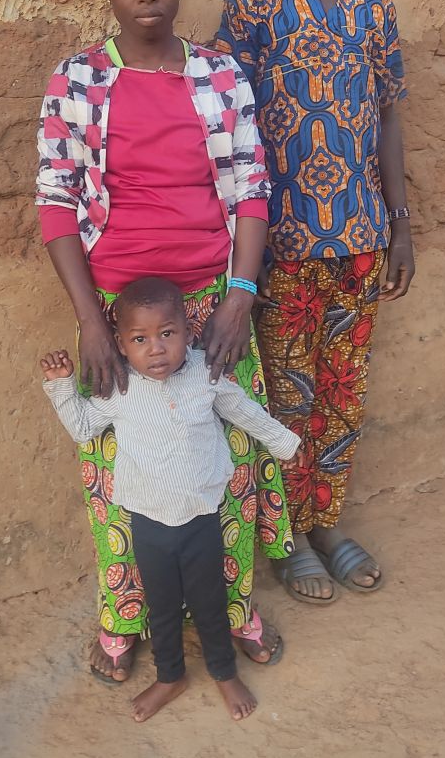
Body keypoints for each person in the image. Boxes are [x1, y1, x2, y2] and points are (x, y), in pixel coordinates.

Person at [34, 0, 294, 683]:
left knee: (231, 467)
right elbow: (56, 204)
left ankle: (233, 605)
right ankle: (124, 617)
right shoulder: (78, 80)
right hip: (121, 320)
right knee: (119, 475)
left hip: (211, 307)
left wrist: (240, 297)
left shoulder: (220, 75)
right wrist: (92, 323)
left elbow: (251, 188)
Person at [215, 0, 416, 605]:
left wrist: (400, 224)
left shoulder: (373, 9)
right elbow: (229, 131)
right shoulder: (253, 10)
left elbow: (388, 117)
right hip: (284, 248)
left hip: (360, 240)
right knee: (285, 397)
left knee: (342, 393)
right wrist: (240, 245)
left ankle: (326, 522)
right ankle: (286, 537)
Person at [40, 277, 301, 721]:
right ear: (121, 345)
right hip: (148, 522)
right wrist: (62, 385)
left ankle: (224, 673)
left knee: (210, 601)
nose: (156, 349)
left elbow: (246, 413)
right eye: (140, 339)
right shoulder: (119, 388)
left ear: (187, 332)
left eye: (167, 333)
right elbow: (83, 429)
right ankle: (170, 676)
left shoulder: (205, 375)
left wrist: (287, 445)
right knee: (160, 606)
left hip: (201, 517)